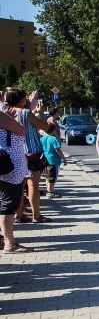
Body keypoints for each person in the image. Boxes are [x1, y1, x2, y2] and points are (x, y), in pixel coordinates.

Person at [11, 90, 50, 224]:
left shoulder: (5, 113)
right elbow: (44, 127)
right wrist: (41, 113)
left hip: (14, 152)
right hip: (31, 152)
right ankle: (36, 215)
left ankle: (19, 214)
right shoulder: (26, 113)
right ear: (22, 100)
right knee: (33, 185)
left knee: (18, 185)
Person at [0, 92, 32, 252]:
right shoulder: (3, 115)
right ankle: (9, 242)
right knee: (7, 205)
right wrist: (9, 119)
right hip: (9, 166)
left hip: (6, 165)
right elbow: (22, 131)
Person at [41, 123, 68, 199]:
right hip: (53, 160)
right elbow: (58, 149)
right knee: (52, 177)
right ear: (54, 130)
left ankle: (48, 190)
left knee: (47, 176)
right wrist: (64, 158)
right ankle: (50, 192)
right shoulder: (53, 139)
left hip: (45, 160)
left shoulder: (42, 139)